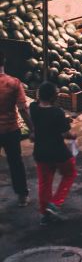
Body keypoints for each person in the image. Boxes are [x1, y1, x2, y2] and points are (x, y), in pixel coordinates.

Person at [30, 82, 77, 225]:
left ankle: (45, 215)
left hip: (41, 152)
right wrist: (73, 135)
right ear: (54, 97)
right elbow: (65, 133)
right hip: (58, 152)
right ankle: (55, 203)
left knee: (45, 183)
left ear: (39, 95)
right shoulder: (57, 112)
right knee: (70, 174)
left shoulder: (33, 109)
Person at [0, 51, 32, 206]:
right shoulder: (13, 83)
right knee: (15, 163)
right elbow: (23, 109)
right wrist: (33, 128)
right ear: (4, 61)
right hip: (11, 129)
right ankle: (22, 196)